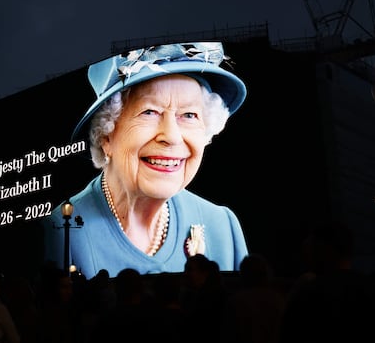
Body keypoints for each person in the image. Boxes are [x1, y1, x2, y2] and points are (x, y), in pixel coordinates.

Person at [42, 41, 249, 277]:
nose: (171, 136)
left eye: (189, 115)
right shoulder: (61, 232)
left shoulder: (222, 227)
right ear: (106, 136)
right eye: (149, 112)